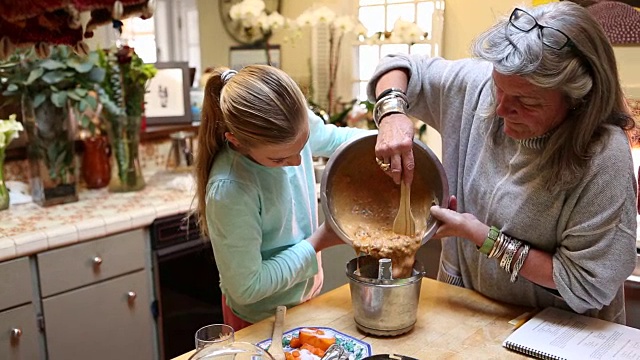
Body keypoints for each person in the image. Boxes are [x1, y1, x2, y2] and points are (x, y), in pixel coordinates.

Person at [368, 1, 637, 323]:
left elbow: (584, 283)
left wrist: (480, 235)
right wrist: (392, 111)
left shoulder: (603, 157)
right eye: (498, 89)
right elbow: (398, 65)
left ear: (578, 100)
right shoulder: (482, 85)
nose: (499, 109)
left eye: (526, 102)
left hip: (557, 328)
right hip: (466, 306)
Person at [194, 65, 369, 329]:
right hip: (258, 321)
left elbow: (334, 139)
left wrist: (389, 139)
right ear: (237, 141)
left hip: (306, 299)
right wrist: (318, 242)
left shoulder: (290, 122)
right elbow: (247, 287)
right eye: (279, 158)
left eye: (304, 144)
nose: (298, 161)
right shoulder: (231, 189)